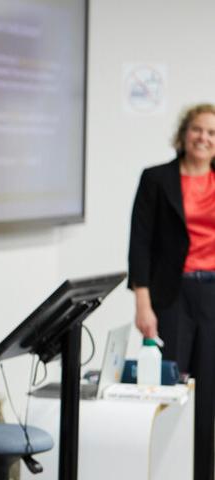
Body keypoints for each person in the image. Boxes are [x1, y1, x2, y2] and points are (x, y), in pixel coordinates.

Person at [129, 103, 215, 480]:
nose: (204, 138)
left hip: (212, 295)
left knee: (208, 395)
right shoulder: (156, 179)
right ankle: (167, 471)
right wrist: (143, 305)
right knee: (171, 391)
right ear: (183, 134)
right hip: (171, 296)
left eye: (212, 134)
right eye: (198, 130)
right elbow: (140, 245)